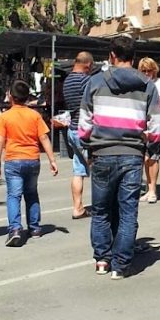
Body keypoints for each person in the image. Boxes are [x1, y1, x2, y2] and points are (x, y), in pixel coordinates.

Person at [79, 34, 160, 279]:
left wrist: (88, 143)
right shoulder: (148, 85)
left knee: (101, 210)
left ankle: (102, 260)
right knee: (128, 212)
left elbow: (84, 123)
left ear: (112, 56)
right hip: (132, 155)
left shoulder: (94, 82)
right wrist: (148, 141)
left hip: (102, 153)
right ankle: (121, 265)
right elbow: (156, 127)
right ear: (133, 58)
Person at [0, 80, 59, 247]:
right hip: (32, 159)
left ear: (11, 96)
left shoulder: (5, 117)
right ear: (27, 97)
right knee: (31, 193)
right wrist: (52, 160)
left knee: (14, 196)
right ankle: (35, 228)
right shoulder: (34, 115)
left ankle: (15, 229)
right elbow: (44, 138)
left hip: (13, 160)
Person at [62, 51, 95, 219]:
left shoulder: (67, 80)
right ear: (88, 65)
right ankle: (101, 204)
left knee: (78, 170)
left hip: (72, 129)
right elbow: (93, 104)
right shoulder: (86, 81)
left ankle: (77, 207)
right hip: (85, 130)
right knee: (97, 168)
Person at [138, 57, 160, 204]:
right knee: (145, 158)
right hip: (142, 125)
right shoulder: (139, 84)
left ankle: (153, 190)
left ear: (154, 70)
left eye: (149, 70)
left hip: (158, 125)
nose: (147, 73)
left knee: (152, 157)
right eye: (143, 71)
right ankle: (149, 188)